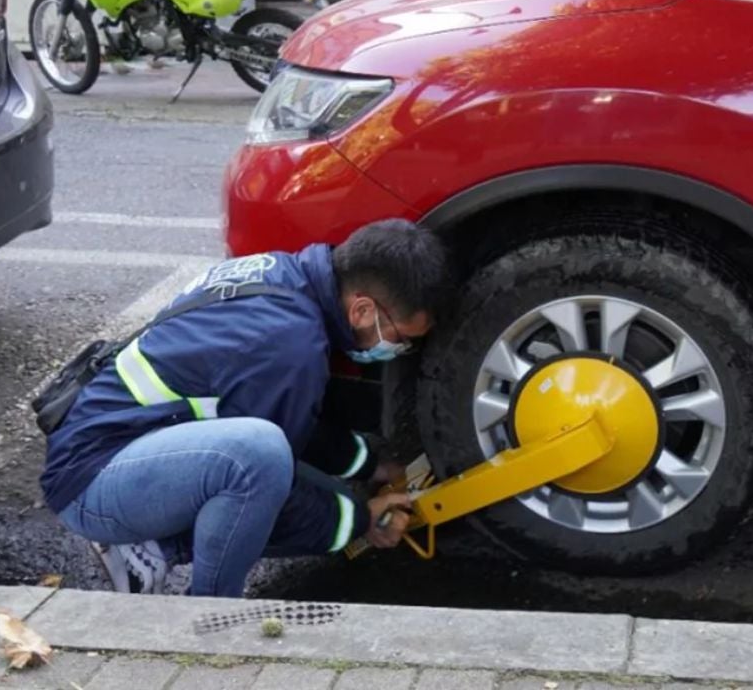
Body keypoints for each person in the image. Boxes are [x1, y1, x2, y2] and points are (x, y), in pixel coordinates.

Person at [39, 219, 451, 597]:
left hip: (126, 449)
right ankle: (211, 614)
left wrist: (370, 467)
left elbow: (295, 421)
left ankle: (151, 550)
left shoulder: (284, 276)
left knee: (299, 477)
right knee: (262, 460)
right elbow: (274, 476)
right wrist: (362, 522)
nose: (399, 349)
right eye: (401, 337)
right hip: (95, 484)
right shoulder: (291, 343)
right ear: (362, 310)